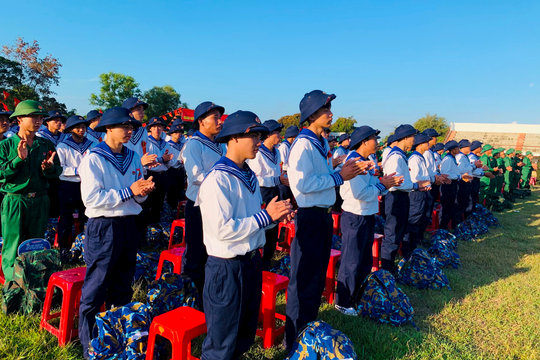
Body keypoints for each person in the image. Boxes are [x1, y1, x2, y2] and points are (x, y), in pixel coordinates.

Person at [197, 110, 294, 359]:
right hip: (227, 268)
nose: (259, 143)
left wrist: (273, 219)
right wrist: (265, 217)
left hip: (250, 262)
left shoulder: (248, 174)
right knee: (221, 342)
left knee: (244, 334)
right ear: (234, 138)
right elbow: (222, 229)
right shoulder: (218, 179)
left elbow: (250, 221)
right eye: (254, 137)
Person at [285, 90, 366, 350]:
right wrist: (338, 176)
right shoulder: (303, 144)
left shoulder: (319, 143)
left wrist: (335, 170)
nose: (331, 114)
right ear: (311, 115)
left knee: (316, 275)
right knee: (303, 276)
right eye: (325, 110)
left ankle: (309, 327)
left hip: (322, 216)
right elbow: (302, 184)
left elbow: (318, 179)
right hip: (309, 216)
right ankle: (294, 338)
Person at [78, 106, 155, 359]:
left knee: (123, 284)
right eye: (124, 126)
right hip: (103, 226)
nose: (129, 131)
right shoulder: (94, 157)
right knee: (96, 286)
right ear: (108, 129)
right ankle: (89, 343)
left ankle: (116, 333)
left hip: (128, 224)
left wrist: (142, 192)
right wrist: (129, 191)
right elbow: (91, 199)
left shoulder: (133, 156)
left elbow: (136, 196)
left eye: (131, 127)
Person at [336, 126, 401, 315]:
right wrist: (383, 186)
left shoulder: (366, 160)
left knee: (363, 260)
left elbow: (370, 185)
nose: (377, 142)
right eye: (374, 138)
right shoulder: (354, 162)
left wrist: (383, 182)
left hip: (366, 215)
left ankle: (357, 296)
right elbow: (361, 193)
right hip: (355, 215)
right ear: (364, 141)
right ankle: (343, 301)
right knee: (351, 260)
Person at [0, 100, 61, 282]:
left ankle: (34, 283)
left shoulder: (45, 145)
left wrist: (49, 169)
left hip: (40, 200)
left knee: (36, 244)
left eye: (40, 117)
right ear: (19, 119)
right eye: (33, 116)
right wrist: (18, 160)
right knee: (13, 244)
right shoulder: (6, 146)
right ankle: (13, 286)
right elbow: (1, 174)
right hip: (16, 200)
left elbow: (57, 171)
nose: (38, 121)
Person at [181, 101, 225, 295]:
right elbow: (196, 175)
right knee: (196, 253)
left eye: (220, 117)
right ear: (201, 121)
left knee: (212, 250)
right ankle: (193, 296)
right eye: (215, 117)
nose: (219, 121)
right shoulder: (193, 144)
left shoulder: (220, 145)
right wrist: (224, 179)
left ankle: (208, 291)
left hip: (217, 204)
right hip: (198, 205)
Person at [247, 119, 288, 270]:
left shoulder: (276, 151)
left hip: (275, 189)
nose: (280, 135)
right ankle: (259, 261)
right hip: (263, 192)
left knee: (274, 226)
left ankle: (268, 260)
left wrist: (279, 179)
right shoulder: (258, 153)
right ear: (269, 135)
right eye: (277, 132)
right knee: (264, 225)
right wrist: (277, 179)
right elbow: (257, 178)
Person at [380, 124, 419, 272]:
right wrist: (415, 186)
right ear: (405, 138)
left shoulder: (401, 155)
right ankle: (386, 269)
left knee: (398, 232)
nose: (413, 141)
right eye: (412, 137)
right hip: (395, 197)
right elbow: (396, 182)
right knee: (392, 234)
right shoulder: (395, 157)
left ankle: (391, 266)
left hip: (402, 197)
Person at [56, 115, 93, 259]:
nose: (81, 130)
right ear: (71, 129)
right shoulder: (63, 146)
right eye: (78, 127)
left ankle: (84, 247)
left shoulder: (92, 144)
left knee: (87, 216)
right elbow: (59, 169)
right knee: (66, 218)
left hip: (87, 184)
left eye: (83, 127)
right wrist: (77, 170)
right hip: (68, 185)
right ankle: (64, 248)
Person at [403, 132, 432, 258]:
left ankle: (414, 246)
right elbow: (413, 179)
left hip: (422, 192)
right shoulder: (414, 159)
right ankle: (408, 250)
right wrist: (427, 181)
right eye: (426, 142)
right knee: (413, 220)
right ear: (420, 144)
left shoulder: (420, 157)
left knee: (419, 219)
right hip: (416, 194)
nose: (428, 144)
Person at [143, 117, 175, 224]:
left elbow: (171, 161)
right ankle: (148, 226)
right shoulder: (146, 142)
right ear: (150, 129)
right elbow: (147, 160)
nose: (157, 129)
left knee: (159, 201)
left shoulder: (165, 144)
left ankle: (156, 224)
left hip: (163, 174)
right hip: (151, 174)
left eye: (159, 126)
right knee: (148, 201)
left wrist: (167, 160)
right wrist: (162, 159)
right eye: (154, 127)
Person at [38, 110, 67, 218]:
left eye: (60, 120)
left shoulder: (65, 137)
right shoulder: (40, 136)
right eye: (55, 120)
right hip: (46, 173)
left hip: (61, 173)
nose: (58, 122)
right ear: (47, 122)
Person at [439, 140, 471, 229]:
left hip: (453, 184)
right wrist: (458, 176)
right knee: (446, 208)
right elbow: (445, 174)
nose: (458, 149)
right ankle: (443, 228)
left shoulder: (452, 158)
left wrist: (459, 176)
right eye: (456, 148)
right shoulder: (448, 159)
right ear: (452, 150)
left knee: (451, 206)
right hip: (448, 185)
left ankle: (450, 226)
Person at [122, 97, 158, 168]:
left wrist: (148, 162)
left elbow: (145, 153)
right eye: (138, 109)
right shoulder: (118, 131)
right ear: (129, 112)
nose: (142, 112)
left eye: (143, 110)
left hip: (140, 174)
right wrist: (139, 162)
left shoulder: (143, 131)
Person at [165, 119, 187, 211]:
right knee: (172, 191)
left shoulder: (183, 144)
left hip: (181, 170)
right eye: (176, 132)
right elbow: (168, 159)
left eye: (180, 133)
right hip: (172, 170)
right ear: (171, 134)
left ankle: (178, 209)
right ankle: (171, 209)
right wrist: (177, 162)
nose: (178, 134)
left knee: (181, 189)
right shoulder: (167, 145)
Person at [277, 125, 299, 201]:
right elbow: (282, 165)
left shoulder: (290, 146)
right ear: (293, 136)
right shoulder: (284, 147)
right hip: (284, 179)